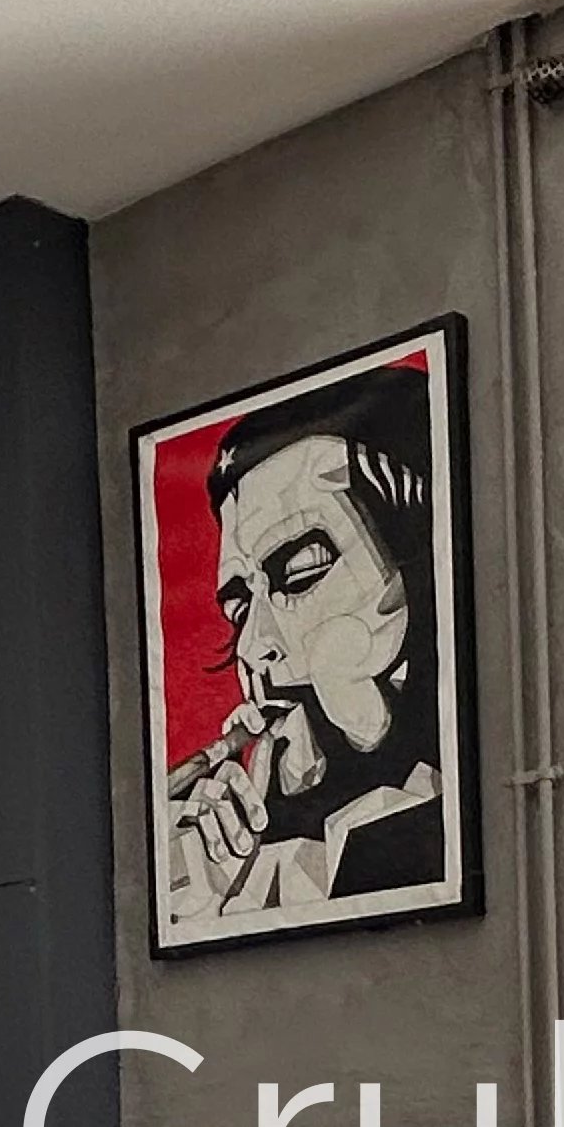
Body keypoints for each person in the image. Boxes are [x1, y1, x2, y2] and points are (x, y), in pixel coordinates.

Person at [166, 361, 449, 930]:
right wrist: (199, 903)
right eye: (239, 610)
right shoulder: (260, 828)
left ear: (419, 560)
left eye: (302, 571)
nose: (255, 648)